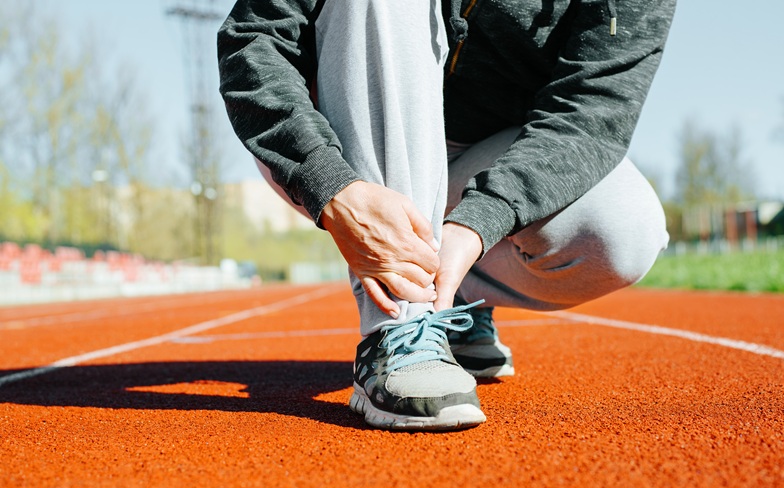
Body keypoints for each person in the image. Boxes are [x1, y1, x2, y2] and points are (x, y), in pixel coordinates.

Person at [218, 0, 676, 431]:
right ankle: (400, 326)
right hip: (339, 144)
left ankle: (448, 296)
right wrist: (326, 179)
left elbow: (594, 112)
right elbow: (254, 37)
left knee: (621, 231)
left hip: (492, 155)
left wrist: (483, 221)